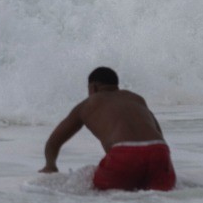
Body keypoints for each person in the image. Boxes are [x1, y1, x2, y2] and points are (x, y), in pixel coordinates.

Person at [40, 67, 176, 191]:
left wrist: (50, 165)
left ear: (93, 87)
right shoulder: (137, 99)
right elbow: (158, 133)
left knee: (92, 191)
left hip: (124, 155)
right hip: (159, 153)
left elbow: (54, 142)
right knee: (156, 199)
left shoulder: (88, 104)